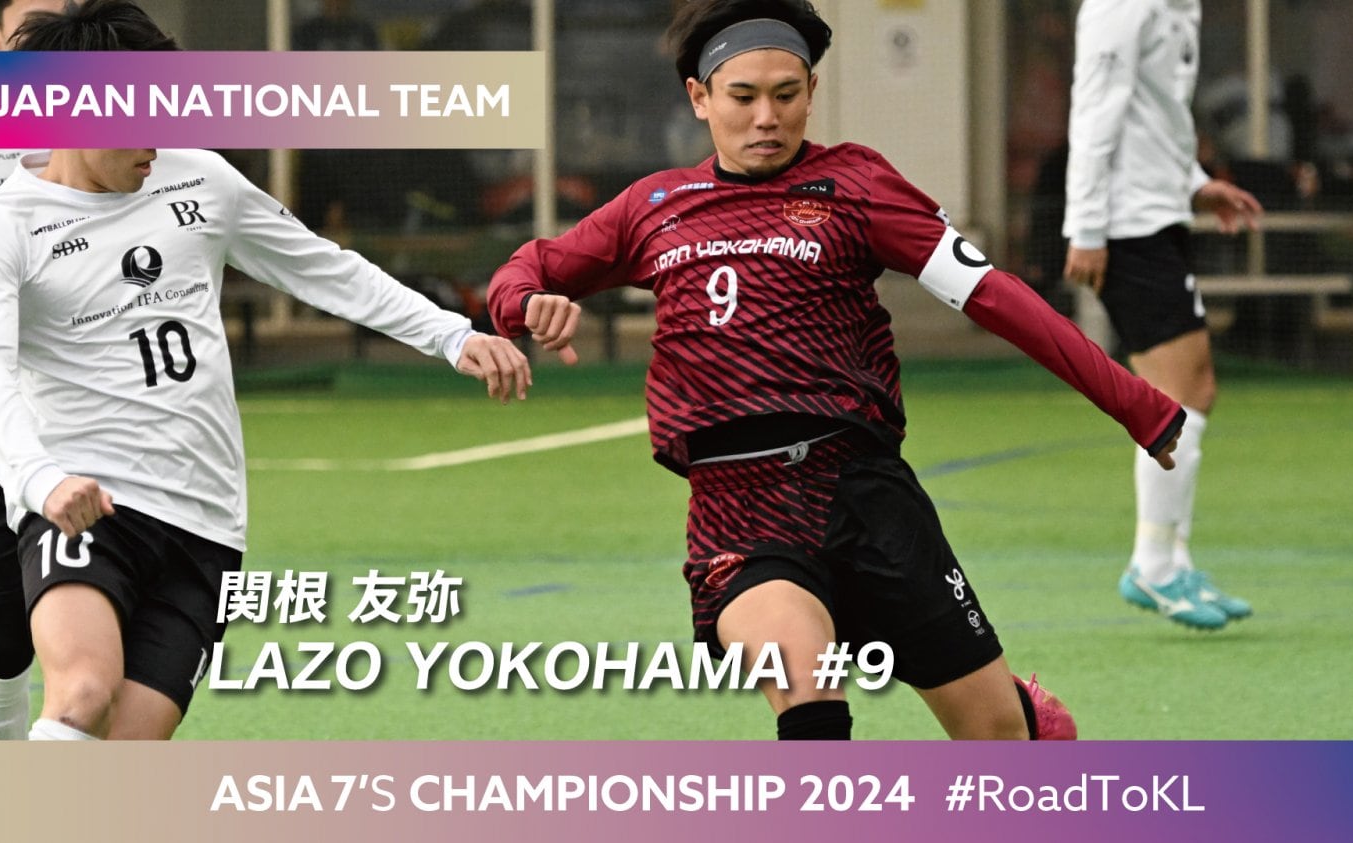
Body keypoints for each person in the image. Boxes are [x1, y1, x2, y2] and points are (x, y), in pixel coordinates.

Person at [488, 0, 1188, 741]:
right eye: (743, 96)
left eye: (786, 95)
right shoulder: (656, 206)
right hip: (739, 513)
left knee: (998, 742)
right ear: (699, 97)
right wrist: (525, 304)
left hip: (866, 497)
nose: (767, 118)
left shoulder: (856, 184)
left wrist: (1135, 403)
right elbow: (525, 269)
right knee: (810, 703)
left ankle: (1021, 719)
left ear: (811, 93)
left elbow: (993, 296)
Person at [0, 0, 530, 741]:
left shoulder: (202, 179)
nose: (155, 140)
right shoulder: (0, 228)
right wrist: (39, 480)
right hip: (86, 499)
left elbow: (322, 267)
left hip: (205, 518)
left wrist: (450, 335)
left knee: (120, 755)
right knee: (82, 693)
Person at [1063, 0, 1260, 630]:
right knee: (1179, 395)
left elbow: (1158, 113)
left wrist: (1194, 182)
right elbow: (1095, 110)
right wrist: (1087, 227)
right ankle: (1153, 565)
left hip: (1159, 213)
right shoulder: (1121, 5)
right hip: (1126, 224)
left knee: (1191, 390)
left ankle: (1173, 557)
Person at [0, 0, 67, 742]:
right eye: (38, 18)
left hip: (76, 419)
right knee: (4, 641)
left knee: (82, 634)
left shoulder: (113, 122)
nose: (60, 31)